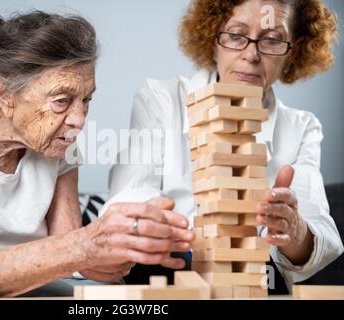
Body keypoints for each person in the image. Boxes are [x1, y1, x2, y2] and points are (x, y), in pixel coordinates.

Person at [0, 11, 194, 300]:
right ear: (6, 95)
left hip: (33, 282)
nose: (79, 119)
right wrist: (83, 246)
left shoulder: (59, 140)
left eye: (86, 99)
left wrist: (116, 254)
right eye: (62, 101)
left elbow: (71, 256)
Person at [105, 0, 344, 290]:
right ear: (213, 39)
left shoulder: (301, 127)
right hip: (167, 276)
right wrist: (174, 234)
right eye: (236, 35)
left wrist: (292, 230)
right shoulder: (162, 100)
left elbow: (319, 241)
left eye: (272, 40)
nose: (251, 55)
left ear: (292, 52)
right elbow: (126, 204)